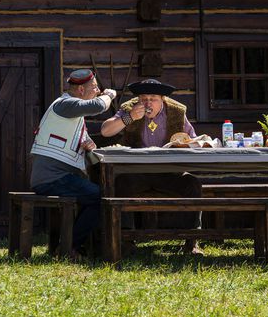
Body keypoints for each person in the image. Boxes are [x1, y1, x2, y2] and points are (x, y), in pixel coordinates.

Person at [100, 79, 204, 256]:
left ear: (162, 99)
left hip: (169, 172)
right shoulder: (129, 108)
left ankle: (191, 242)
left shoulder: (177, 111)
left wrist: (186, 144)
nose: (148, 103)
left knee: (192, 184)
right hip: (137, 171)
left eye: (153, 98)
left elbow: (193, 139)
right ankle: (125, 240)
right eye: (144, 98)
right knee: (121, 184)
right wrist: (130, 117)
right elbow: (105, 130)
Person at [30, 69, 116, 259]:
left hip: (58, 178)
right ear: (80, 90)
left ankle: (75, 245)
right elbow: (97, 106)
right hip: (52, 179)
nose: (98, 91)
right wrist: (110, 95)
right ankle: (68, 248)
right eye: (94, 87)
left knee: (95, 194)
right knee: (98, 196)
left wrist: (87, 145)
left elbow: (76, 145)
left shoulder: (73, 113)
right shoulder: (65, 104)